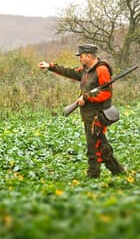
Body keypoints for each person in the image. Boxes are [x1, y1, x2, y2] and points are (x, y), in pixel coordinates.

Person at [38, 44, 125, 178]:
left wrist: (86, 97)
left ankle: (93, 175)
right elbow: (71, 72)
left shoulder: (101, 70)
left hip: (97, 116)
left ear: (89, 56)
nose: (80, 58)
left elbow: (106, 93)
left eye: (82, 56)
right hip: (88, 115)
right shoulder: (86, 70)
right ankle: (117, 171)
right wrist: (51, 66)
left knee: (93, 147)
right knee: (100, 145)